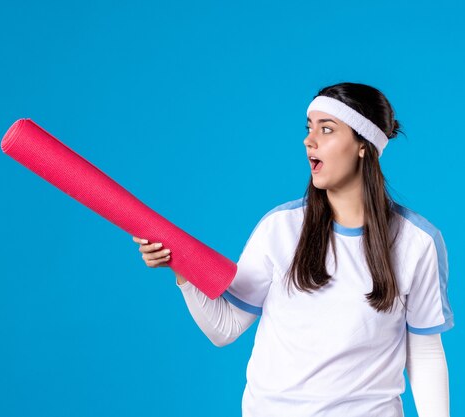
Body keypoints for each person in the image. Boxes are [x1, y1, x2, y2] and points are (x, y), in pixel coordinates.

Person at [132, 82, 453, 417]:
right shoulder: (280, 229)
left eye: (327, 129)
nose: (308, 140)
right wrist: (180, 267)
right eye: (309, 128)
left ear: (363, 145)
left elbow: (426, 353)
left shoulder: (418, 242)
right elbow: (224, 329)